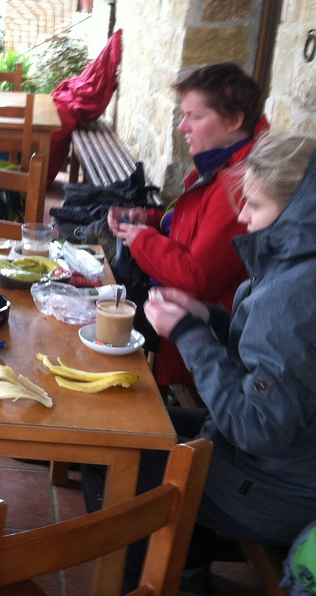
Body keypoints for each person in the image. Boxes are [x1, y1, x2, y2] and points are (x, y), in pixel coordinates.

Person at [87, 133, 316, 596]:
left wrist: (189, 336)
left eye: (254, 205)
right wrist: (206, 316)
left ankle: (138, 595)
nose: (242, 216)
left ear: (303, 210)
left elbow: (257, 426)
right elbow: (278, 353)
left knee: (111, 453)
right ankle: (187, 568)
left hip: (283, 490)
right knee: (124, 423)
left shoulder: (306, 290)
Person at [107, 62, 269, 387]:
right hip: (181, 319)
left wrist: (141, 239)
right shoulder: (220, 163)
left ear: (234, 121)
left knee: (99, 322)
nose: (183, 127)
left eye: (194, 117)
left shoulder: (241, 183)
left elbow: (197, 278)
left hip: (208, 339)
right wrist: (152, 221)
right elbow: (195, 228)